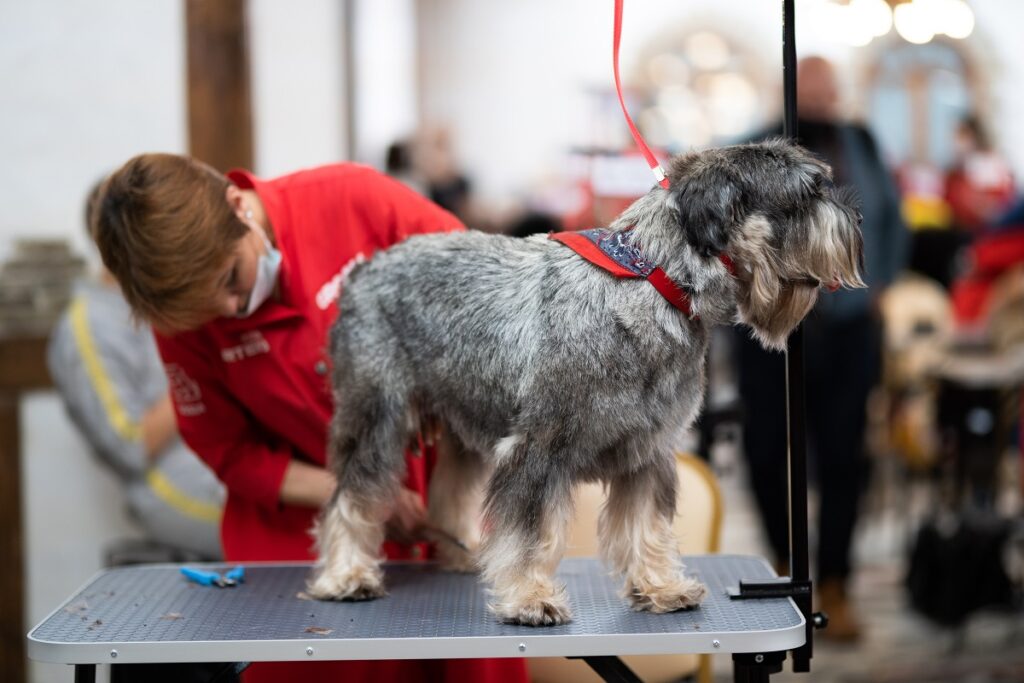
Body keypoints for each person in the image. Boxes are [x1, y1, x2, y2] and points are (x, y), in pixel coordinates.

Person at [90, 153, 528, 683]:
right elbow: (226, 451)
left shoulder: (353, 201)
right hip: (299, 533)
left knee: (470, 656)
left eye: (233, 277)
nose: (231, 310)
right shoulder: (183, 314)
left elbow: (488, 292)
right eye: (210, 312)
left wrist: (437, 383)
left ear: (238, 206)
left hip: (444, 496)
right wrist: (358, 493)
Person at [736, 55, 908, 641]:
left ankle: (835, 578)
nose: (821, 92)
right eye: (809, 82)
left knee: (844, 457)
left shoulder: (861, 140)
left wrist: (880, 281)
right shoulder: (749, 148)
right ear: (786, 87)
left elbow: (891, 218)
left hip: (852, 326)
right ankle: (790, 567)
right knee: (765, 452)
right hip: (772, 333)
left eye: (827, 83)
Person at [48, 183, 225, 563]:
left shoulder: (155, 295)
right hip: (172, 485)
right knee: (293, 528)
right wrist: (198, 371)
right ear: (110, 239)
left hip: (219, 457)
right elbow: (129, 443)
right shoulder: (88, 324)